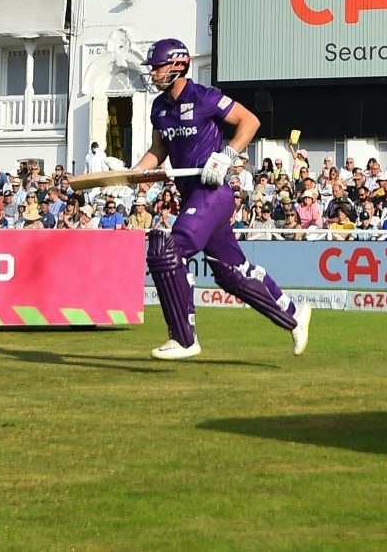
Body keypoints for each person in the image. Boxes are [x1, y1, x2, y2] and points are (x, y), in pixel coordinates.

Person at [132, 38, 310, 362]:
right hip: (191, 197)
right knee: (231, 272)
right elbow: (159, 151)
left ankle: (184, 339)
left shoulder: (204, 96)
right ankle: (294, 315)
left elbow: (250, 121)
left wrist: (226, 155)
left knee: (168, 248)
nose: (153, 74)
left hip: (213, 191)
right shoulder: (159, 109)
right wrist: (136, 173)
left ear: (177, 65)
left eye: (157, 67)